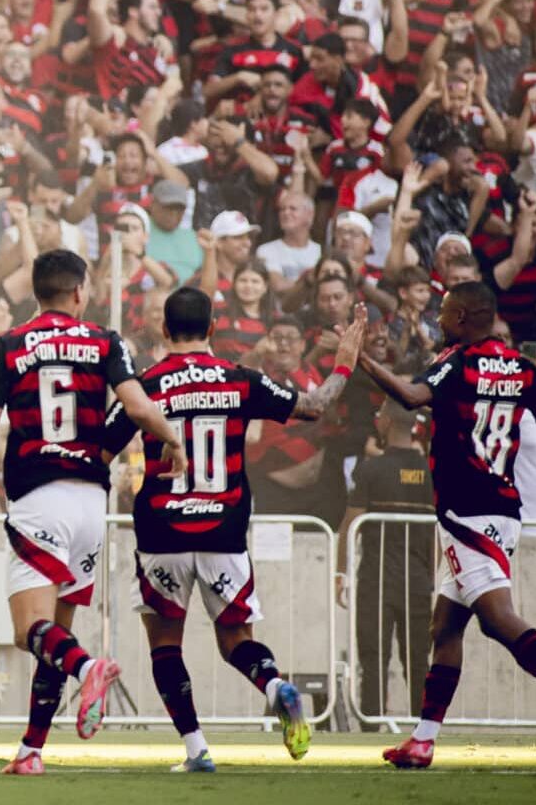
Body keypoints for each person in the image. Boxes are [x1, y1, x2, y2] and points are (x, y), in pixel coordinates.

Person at [104, 287, 364, 772]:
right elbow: (314, 405)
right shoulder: (239, 379)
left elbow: (103, 447)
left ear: (164, 330)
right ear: (212, 329)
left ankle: (196, 749)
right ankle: (275, 687)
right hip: (224, 530)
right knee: (235, 640)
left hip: (163, 532)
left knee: (165, 642)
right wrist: (344, 361)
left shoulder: (147, 384)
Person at [0, 249, 186, 776]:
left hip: (39, 497)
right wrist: (172, 440)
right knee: (57, 631)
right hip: (91, 501)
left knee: (29, 632)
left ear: (35, 292)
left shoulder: (10, 344)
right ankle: (31, 751)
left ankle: (91, 667)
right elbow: (135, 408)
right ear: (81, 292)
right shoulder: (106, 341)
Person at [358, 281, 536, 768]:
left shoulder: (458, 362)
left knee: (496, 618)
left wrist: (359, 358)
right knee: (445, 628)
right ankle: (422, 741)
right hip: (498, 507)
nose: (438, 319)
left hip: (469, 512)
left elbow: (408, 395)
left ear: (465, 317)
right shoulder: (522, 368)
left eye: (444, 312)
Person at [341, 404, 435, 726]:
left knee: (373, 658)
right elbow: (438, 534)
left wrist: (340, 573)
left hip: (376, 579)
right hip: (419, 580)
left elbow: (349, 525)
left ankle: (371, 729)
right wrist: (434, 578)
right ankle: (423, 732)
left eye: (379, 414)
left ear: (388, 421)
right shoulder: (430, 471)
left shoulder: (371, 469)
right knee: (419, 661)